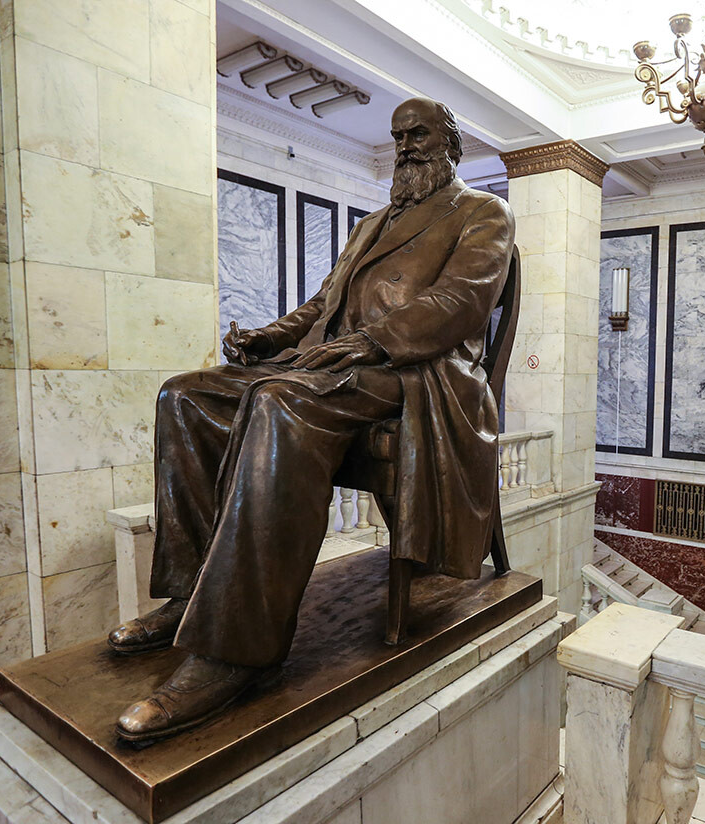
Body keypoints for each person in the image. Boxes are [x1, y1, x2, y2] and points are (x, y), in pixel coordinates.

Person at [104, 96, 516, 742]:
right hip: (332, 366)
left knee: (278, 403)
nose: (406, 144)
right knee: (183, 396)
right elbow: (321, 306)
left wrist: (367, 342)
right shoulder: (372, 223)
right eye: (398, 135)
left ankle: (239, 652)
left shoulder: (482, 212)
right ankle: (191, 596)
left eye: (419, 133)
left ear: (450, 145)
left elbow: (459, 304)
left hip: (415, 375)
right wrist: (270, 339)